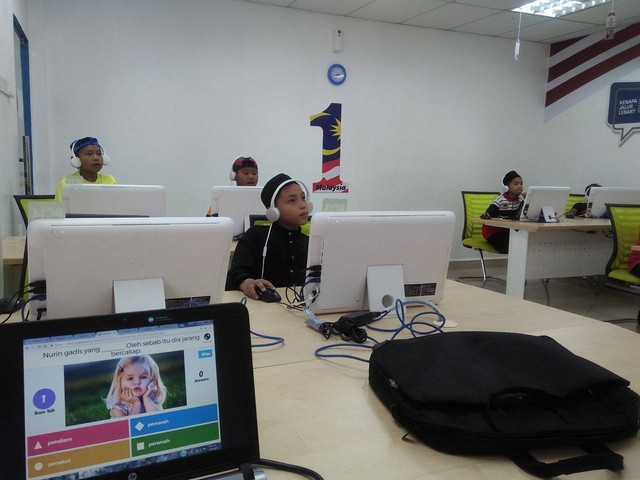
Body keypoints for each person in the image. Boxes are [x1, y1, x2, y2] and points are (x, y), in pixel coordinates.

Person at [226, 173, 311, 299]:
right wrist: (246, 282)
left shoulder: (308, 242)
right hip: (262, 307)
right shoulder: (256, 235)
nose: (303, 205)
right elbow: (236, 274)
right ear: (273, 210)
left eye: (303, 198)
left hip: (303, 305)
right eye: (292, 200)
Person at [480, 170, 525, 254]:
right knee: (509, 248)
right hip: (493, 232)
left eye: (521, 184)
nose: (519, 186)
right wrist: (486, 215)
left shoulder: (520, 199)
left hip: (506, 230)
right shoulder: (500, 200)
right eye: (516, 184)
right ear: (506, 187)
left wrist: (527, 199)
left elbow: (520, 215)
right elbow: (488, 213)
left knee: (522, 242)